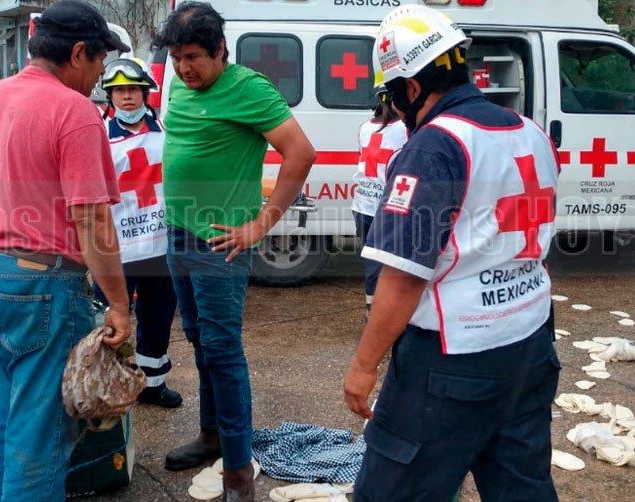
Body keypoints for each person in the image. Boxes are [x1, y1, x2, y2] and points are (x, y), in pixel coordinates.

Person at [343, 5, 562, 501]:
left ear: (411, 87)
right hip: (529, 345)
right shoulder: (529, 131)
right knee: (522, 488)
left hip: (452, 363)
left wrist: (363, 366)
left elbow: (403, 277)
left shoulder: (433, 147)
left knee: (391, 492)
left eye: (392, 96)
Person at [0, 1, 133, 500]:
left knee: (8, 418)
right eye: (100, 62)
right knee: (43, 437)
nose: (100, 76)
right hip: (45, 286)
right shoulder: (75, 112)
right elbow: (92, 220)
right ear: (78, 53)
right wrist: (119, 305)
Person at [152, 2, 316, 500]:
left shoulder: (249, 88)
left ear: (220, 49)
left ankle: (239, 471)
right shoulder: (179, 85)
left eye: (193, 57)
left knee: (223, 352)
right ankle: (212, 436)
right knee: (199, 342)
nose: (183, 68)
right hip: (178, 234)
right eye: (176, 58)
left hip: (219, 244)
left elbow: (301, 153)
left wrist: (260, 225)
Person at [97, 57, 183, 408]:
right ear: (110, 96)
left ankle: (153, 385)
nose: (127, 97)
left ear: (145, 93)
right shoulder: (99, 136)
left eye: (133, 89)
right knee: (108, 322)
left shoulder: (166, 130)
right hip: (117, 249)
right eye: (119, 91)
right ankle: (103, 387)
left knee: (158, 319)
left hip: (160, 246)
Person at [352, 86, 407, 316]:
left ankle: (371, 309)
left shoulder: (365, 127)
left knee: (372, 261)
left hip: (361, 205)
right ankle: (385, 314)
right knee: (395, 262)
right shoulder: (405, 129)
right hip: (386, 208)